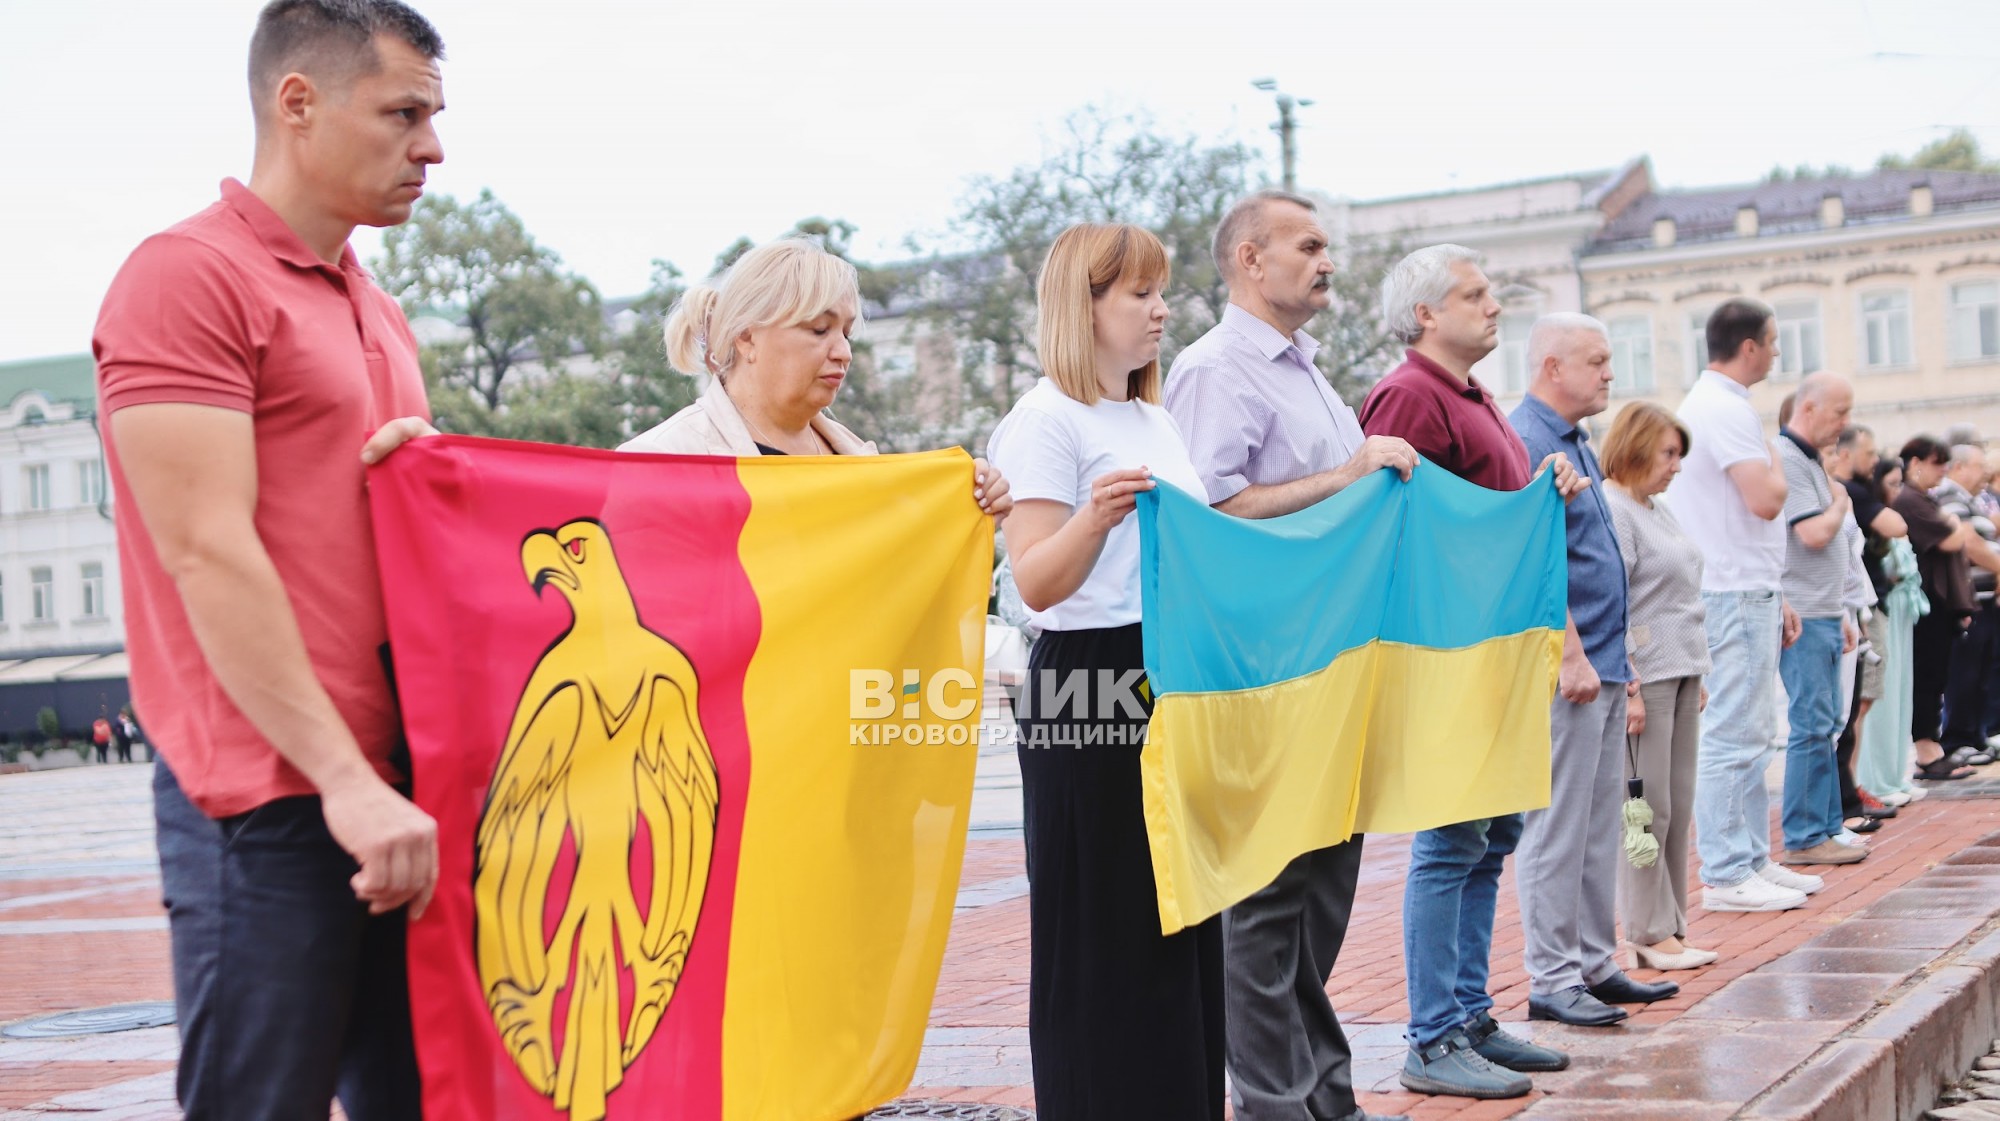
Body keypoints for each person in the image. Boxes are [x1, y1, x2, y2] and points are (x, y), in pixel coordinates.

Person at [91, 3, 449, 1116]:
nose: (432, 148)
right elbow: (204, 550)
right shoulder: (186, 276)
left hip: (401, 786)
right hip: (270, 792)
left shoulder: (376, 304)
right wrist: (345, 781)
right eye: (403, 114)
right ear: (298, 102)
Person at [1163, 189, 1417, 1121]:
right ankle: (1276, 1100)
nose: (1326, 262)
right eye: (1307, 246)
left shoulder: (1304, 369)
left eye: (1326, 247)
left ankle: (1323, 1092)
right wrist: (1350, 473)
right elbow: (1207, 511)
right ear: (1249, 259)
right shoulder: (1213, 370)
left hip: (1335, 660)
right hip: (1268, 666)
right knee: (1268, 898)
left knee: (1321, 894)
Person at [985, 223, 1222, 1120]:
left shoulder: (1154, 418)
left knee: (1178, 922)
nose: (1162, 310)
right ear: (1081, 308)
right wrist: (1095, 518)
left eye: (1162, 291)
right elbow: (1035, 582)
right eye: (1140, 293)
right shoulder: (1045, 419)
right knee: (1103, 931)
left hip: (1169, 670)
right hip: (1087, 674)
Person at [1356, 244, 1586, 1101]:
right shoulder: (1409, 394)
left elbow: (1485, 504)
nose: (1494, 305)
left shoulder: (1473, 393)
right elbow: (1397, 520)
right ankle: (1432, 1036)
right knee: (1452, 840)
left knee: (1491, 836)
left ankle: (1468, 1014)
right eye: (1475, 293)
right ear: (1426, 314)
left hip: (1493, 647)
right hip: (1447, 649)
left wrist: (1545, 484)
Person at [1508, 315, 1679, 1028]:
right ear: (1553, 366)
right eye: (1597, 361)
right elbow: (1533, 563)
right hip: (1569, 667)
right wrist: (1572, 652)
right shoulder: (1527, 439)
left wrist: (1621, 658)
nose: (1610, 372)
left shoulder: (1576, 438)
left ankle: (1593, 962)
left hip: (1604, 660)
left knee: (1597, 824)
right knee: (1557, 825)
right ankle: (1552, 977)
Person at [615, 237, 1013, 531]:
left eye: (847, 333)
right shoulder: (657, 464)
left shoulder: (860, 460)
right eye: (820, 329)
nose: (844, 352)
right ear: (747, 337)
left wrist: (967, 508)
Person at [1666, 299, 1817, 913]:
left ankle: (1751, 856)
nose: (1777, 352)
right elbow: (1766, 499)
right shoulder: (1723, 408)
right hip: (1730, 589)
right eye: (1773, 341)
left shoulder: (1721, 405)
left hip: (1745, 584)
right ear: (1749, 345)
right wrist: (1775, 456)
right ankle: (1728, 871)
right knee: (1733, 732)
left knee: (1753, 731)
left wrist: (1777, 590)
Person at [1601, 402, 1717, 971]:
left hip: (1681, 668)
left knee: (1677, 803)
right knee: (1647, 809)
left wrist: (1699, 669)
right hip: (1646, 674)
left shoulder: (1656, 508)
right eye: (1668, 453)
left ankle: (1671, 925)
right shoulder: (1616, 509)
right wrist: (1628, 685)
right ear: (1637, 446)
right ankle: (1647, 930)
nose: (1676, 466)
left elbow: (1681, 593)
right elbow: (1614, 599)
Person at [1770, 374, 1869, 866]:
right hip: (1805, 614)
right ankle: (1805, 835)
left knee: (1827, 722)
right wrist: (1840, 502)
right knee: (1811, 723)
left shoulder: (1806, 459)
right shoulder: (1787, 458)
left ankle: (1827, 825)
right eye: (1839, 412)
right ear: (1808, 408)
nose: (1845, 423)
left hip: (1823, 610)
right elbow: (1812, 534)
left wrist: (1839, 609)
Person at [1896, 437, 1990, 781]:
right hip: (1928, 602)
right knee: (1928, 677)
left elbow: (1958, 532)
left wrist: (1954, 526)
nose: (1943, 470)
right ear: (1916, 463)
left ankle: (1933, 747)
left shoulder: (1924, 498)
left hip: (1940, 602)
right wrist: (1954, 526)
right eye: (1937, 463)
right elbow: (1953, 538)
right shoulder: (1909, 499)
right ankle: (1927, 751)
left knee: (1937, 676)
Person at [1858, 460, 1937, 798]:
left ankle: (1893, 775)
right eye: (1891, 484)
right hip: (1879, 610)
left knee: (1900, 691)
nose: (1897, 491)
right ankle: (1873, 780)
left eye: (1899, 483)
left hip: (1900, 613)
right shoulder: (1870, 518)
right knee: (1879, 698)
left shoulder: (1887, 519)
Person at [1934, 445, 2000, 767]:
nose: (1984, 472)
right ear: (1958, 467)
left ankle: (1976, 735)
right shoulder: (1950, 496)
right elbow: (1969, 543)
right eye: (1978, 465)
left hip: (1985, 598)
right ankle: (1957, 739)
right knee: (1965, 671)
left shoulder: (1972, 499)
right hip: (1967, 601)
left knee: (1982, 671)